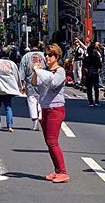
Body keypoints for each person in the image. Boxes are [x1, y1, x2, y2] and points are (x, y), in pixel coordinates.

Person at [32, 44, 68, 183]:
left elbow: (53, 83)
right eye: (46, 54)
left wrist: (40, 71)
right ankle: (57, 170)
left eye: (50, 55)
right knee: (48, 141)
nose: (47, 57)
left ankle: (63, 171)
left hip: (56, 109)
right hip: (45, 108)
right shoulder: (44, 71)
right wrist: (36, 71)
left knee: (53, 141)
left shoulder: (60, 71)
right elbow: (35, 83)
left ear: (57, 57)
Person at [0, 48, 22, 132]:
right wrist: (19, 86)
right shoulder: (12, 64)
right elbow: (16, 76)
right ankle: (9, 126)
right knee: (8, 107)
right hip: (9, 88)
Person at [19, 46, 46, 130]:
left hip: (30, 82)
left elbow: (22, 72)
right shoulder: (44, 56)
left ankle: (35, 122)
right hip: (43, 81)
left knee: (31, 101)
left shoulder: (26, 57)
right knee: (42, 100)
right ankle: (41, 115)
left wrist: (21, 85)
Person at [83, 41, 103, 107]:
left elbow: (85, 68)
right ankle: (97, 101)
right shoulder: (96, 58)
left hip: (89, 73)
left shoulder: (86, 59)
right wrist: (98, 72)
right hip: (95, 73)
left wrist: (86, 74)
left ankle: (90, 102)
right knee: (96, 88)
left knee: (89, 88)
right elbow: (100, 67)